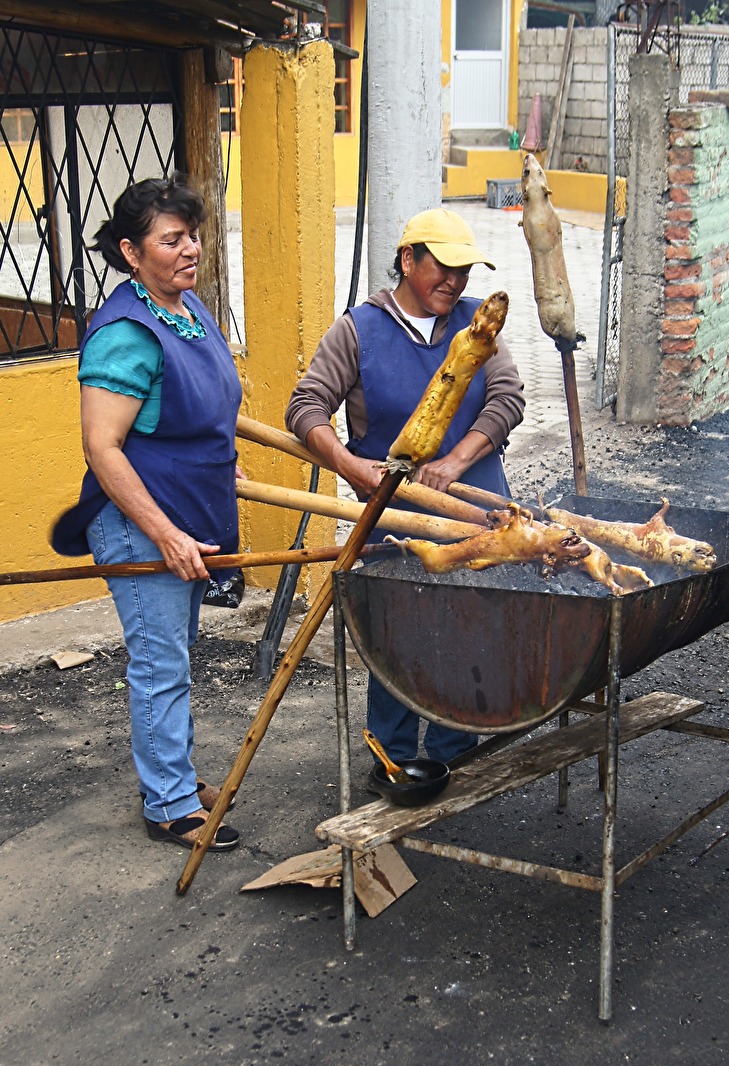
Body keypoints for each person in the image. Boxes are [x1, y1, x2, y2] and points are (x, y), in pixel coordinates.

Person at [285, 208, 525, 766]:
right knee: (399, 638)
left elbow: (507, 398)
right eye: (442, 268)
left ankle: (455, 755)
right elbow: (306, 407)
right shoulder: (358, 329)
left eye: (464, 271)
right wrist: (349, 466)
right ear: (406, 260)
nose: (455, 282)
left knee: (470, 635)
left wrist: (455, 461)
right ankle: (393, 762)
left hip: (476, 512)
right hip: (397, 518)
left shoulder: (477, 326)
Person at [51, 174, 243, 851]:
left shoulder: (187, 310)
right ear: (132, 252)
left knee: (175, 657)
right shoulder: (126, 333)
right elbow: (102, 447)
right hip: (138, 524)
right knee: (160, 665)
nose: (190, 249)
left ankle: (175, 776)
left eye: (193, 235)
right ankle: (168, 803)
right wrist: (163, 533)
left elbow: (191, 413)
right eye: (172, 239)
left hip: (187, 514)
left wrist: (220, 468)